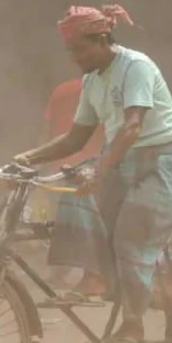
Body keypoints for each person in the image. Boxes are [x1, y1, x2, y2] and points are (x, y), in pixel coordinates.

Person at [13, 4, 172, 343]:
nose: (75, 58)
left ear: (103, 39)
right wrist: (26, 158)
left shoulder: (135, 66)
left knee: (130, 237)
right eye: (70, 51)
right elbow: (75, 137)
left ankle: (133, 326)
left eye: (80, 49)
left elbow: (132, 126)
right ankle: (101, 281)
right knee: (79, 203)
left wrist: (99, 170)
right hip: (123, 158)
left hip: (164, 160)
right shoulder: (92, 80)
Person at [39, 78, 110, 298]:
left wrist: (41, 158)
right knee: (89, 222)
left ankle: (64, 270)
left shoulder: (61, 90)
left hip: (62, 165)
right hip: (90, 168)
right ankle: (92, 275)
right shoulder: (104, 93)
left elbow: (47, 129)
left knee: (63, 221)